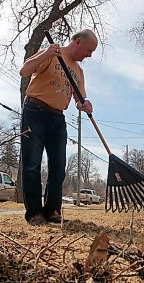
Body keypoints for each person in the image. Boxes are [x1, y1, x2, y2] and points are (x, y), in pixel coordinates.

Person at [19, 29, 97, 225]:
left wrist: (85, 104)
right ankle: (35, 213)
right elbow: (25, 71)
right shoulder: (52, 53)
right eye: (89, 50)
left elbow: (80, 99)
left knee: (59, 168)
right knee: (32, 164)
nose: (89, 56)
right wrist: (45, 54)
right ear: (78, 42)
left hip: (57, 117)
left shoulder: (79, 71)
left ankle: (53, 210)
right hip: (35, 110)